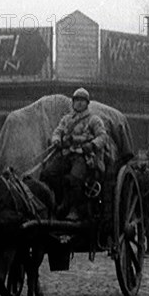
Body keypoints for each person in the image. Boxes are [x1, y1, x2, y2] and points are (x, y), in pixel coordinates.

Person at [41, 88, 107, 219]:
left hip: (83, 156)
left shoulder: (94, 120)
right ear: (73, 102)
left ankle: (74, 209)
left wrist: (92, 144)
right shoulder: (66, 119)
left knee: (73, 180)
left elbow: (103, 137)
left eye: (82, 101)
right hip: (66, 154)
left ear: (87, 103)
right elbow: (57, 132)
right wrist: (56, 141)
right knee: (47, 174)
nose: (79, 103)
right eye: (77, 100)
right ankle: (59, 202)